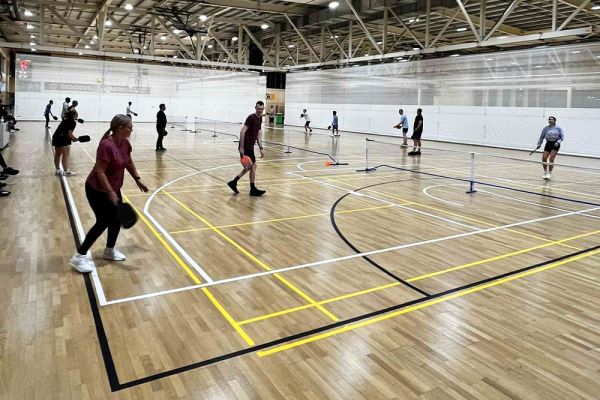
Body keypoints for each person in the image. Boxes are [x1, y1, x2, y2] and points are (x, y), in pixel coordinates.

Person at [69, 114, 149, 273]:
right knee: (103, 221)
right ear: (120, 128)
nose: (131, 130)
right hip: (97, 189)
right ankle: (79, 257)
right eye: (130, 127)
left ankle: (109, 251)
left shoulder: (125, 143)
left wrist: (137, 179)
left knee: (117, 219)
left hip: (113, 189)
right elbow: (100, 171)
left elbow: (128, 162)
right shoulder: (106, 145)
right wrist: (110, 191)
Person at [227, 101, 266, 196]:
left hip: (250, 146)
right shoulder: (251, 118)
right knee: (253, 166)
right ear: (255, 108)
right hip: (246, 146)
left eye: (261, 109)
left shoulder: (260, 118)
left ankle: (234, 182)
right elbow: (242, 131)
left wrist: (261, 148)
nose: (260, 110)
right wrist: (241, 147)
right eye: (258, 108)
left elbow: (258, 134)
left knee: (250, 166)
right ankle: (252, 189)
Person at [52, 108, 79, 176]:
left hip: (56, 137)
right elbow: (69, 134)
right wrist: (74, 138)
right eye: (77, 114)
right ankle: (66, 171)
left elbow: (65, 131)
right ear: (74, 115)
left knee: (57, 154)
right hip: (63, 139)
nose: (78, 115)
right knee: (66, 155)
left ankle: (58, 170)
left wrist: (73, 138)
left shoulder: (65, 120)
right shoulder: (73, 122)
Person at [536, 116, 564, 180]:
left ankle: (549, 173)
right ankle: (545, 172)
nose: (550, 120)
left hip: (555, 144)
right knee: (544, 158)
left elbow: (562, 137)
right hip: (548, 143)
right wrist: (539, 144)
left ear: (554, 121)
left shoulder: (558, 128)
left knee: (551, 158)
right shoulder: (546, 128)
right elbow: (541, 137)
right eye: (549, 119)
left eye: (551, 119)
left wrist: (558, 142)